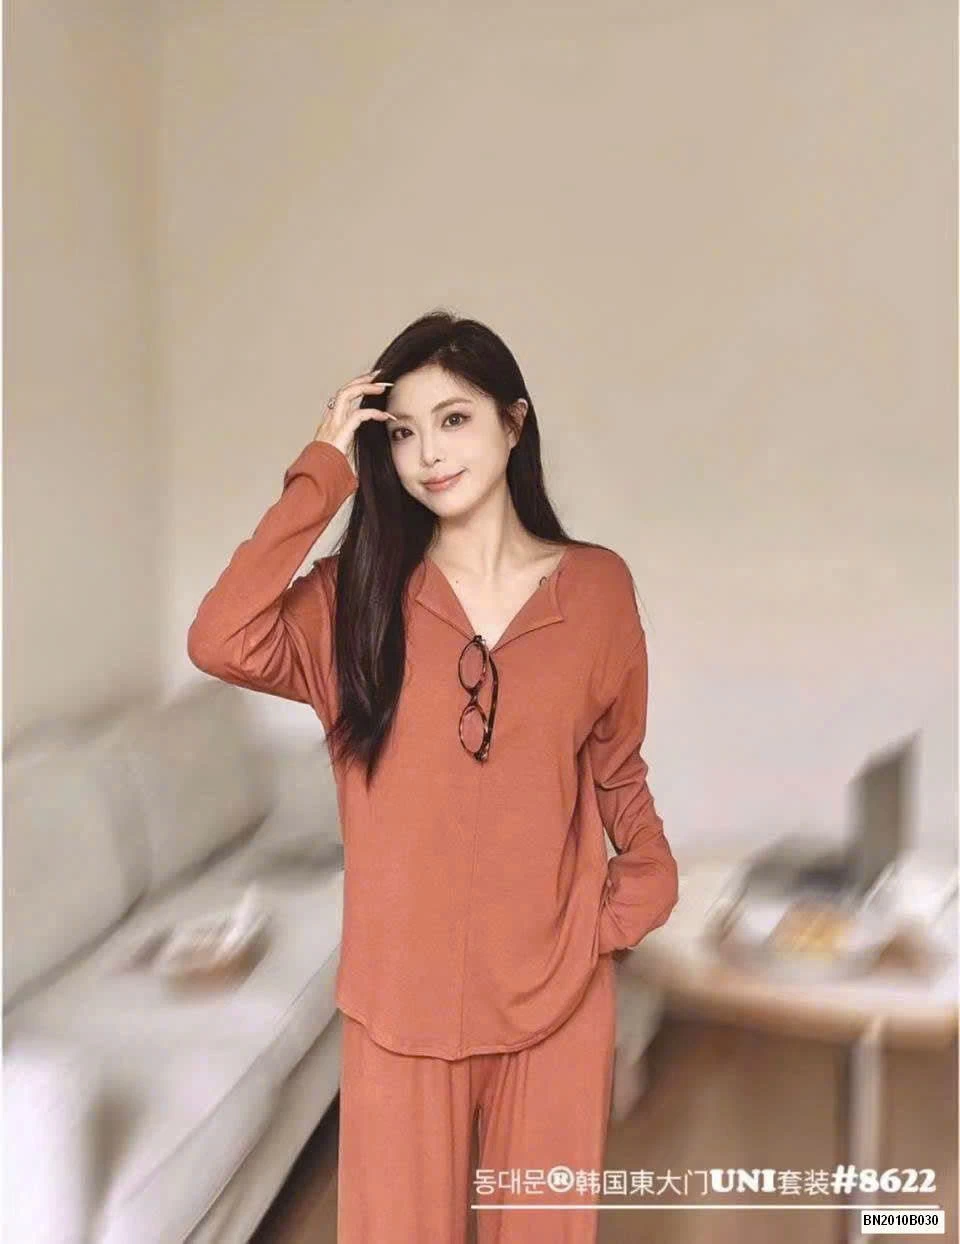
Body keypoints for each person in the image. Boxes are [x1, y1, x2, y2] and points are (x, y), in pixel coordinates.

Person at [187, 310, 679, 1243]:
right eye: (403, 432)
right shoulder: (353, 599)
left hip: (558, 1001)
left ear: (514, 423)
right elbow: (221, 637)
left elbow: (618, 766)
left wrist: (637, 893)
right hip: (397, 1009)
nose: (428, 455)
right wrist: (322, 468)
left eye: (454, 419)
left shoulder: (598, 589)